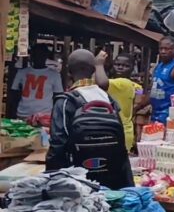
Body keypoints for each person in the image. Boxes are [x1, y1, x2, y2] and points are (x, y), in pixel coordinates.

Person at [47, 50, 132, 190]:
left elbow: (58, 143)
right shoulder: (108, 99)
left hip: (77, 181)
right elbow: (120, 144)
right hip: (111, 178)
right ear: (93, 70)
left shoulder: (66, 101)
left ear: (68, 71)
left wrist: (51, 181)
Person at [9, 44, 64, 121]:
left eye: (41, 54)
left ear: (46, 56)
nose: (39, 56)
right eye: (36, 54)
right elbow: (14, 94)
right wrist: (12, 114)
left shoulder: (54, 75)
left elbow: (58, 97)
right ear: (32, 56)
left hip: (44, 117)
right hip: (23, 114)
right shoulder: (21, 73)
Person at [107, 53, 147, 150]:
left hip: (123, 128)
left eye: (125, 66)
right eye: (117, 64)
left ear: (132, 68)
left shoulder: (137, 88)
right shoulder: (109, 83)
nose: (120, 68)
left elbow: (138, 104)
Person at [150, 36, 174, 124]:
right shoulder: (158, 67)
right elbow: (152, 90)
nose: (163, 51)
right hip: (155, 114)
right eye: (161, 49)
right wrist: (138, 107)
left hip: (169, 115)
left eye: (167, 49)